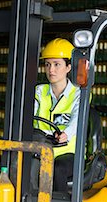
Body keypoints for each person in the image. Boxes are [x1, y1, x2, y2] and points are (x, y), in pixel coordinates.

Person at [34, 38, 80, 192]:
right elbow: (30, 113)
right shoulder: (39, 92)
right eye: (47, 64)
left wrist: (66, 133)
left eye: (56, 64)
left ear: (68, 67)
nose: (51, 70)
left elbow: (77, 119)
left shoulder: (78, 94)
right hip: (40, 148)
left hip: (68, 152)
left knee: (57, 169)